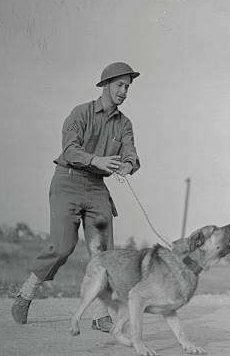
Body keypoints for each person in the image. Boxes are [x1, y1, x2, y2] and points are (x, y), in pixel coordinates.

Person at [11, 62, 141, 330]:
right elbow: (69, 150)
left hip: (97, 188)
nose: (125, 91)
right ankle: (25, 294)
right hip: (67, 182)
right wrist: (96, 159)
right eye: (120, 85)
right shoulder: (80, 113)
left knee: (103, 253)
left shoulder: (124, 124)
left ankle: (100, 315)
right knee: (62, 246)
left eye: (128, 87)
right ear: (105, 85)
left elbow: (131, 154)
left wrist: (127, 166)